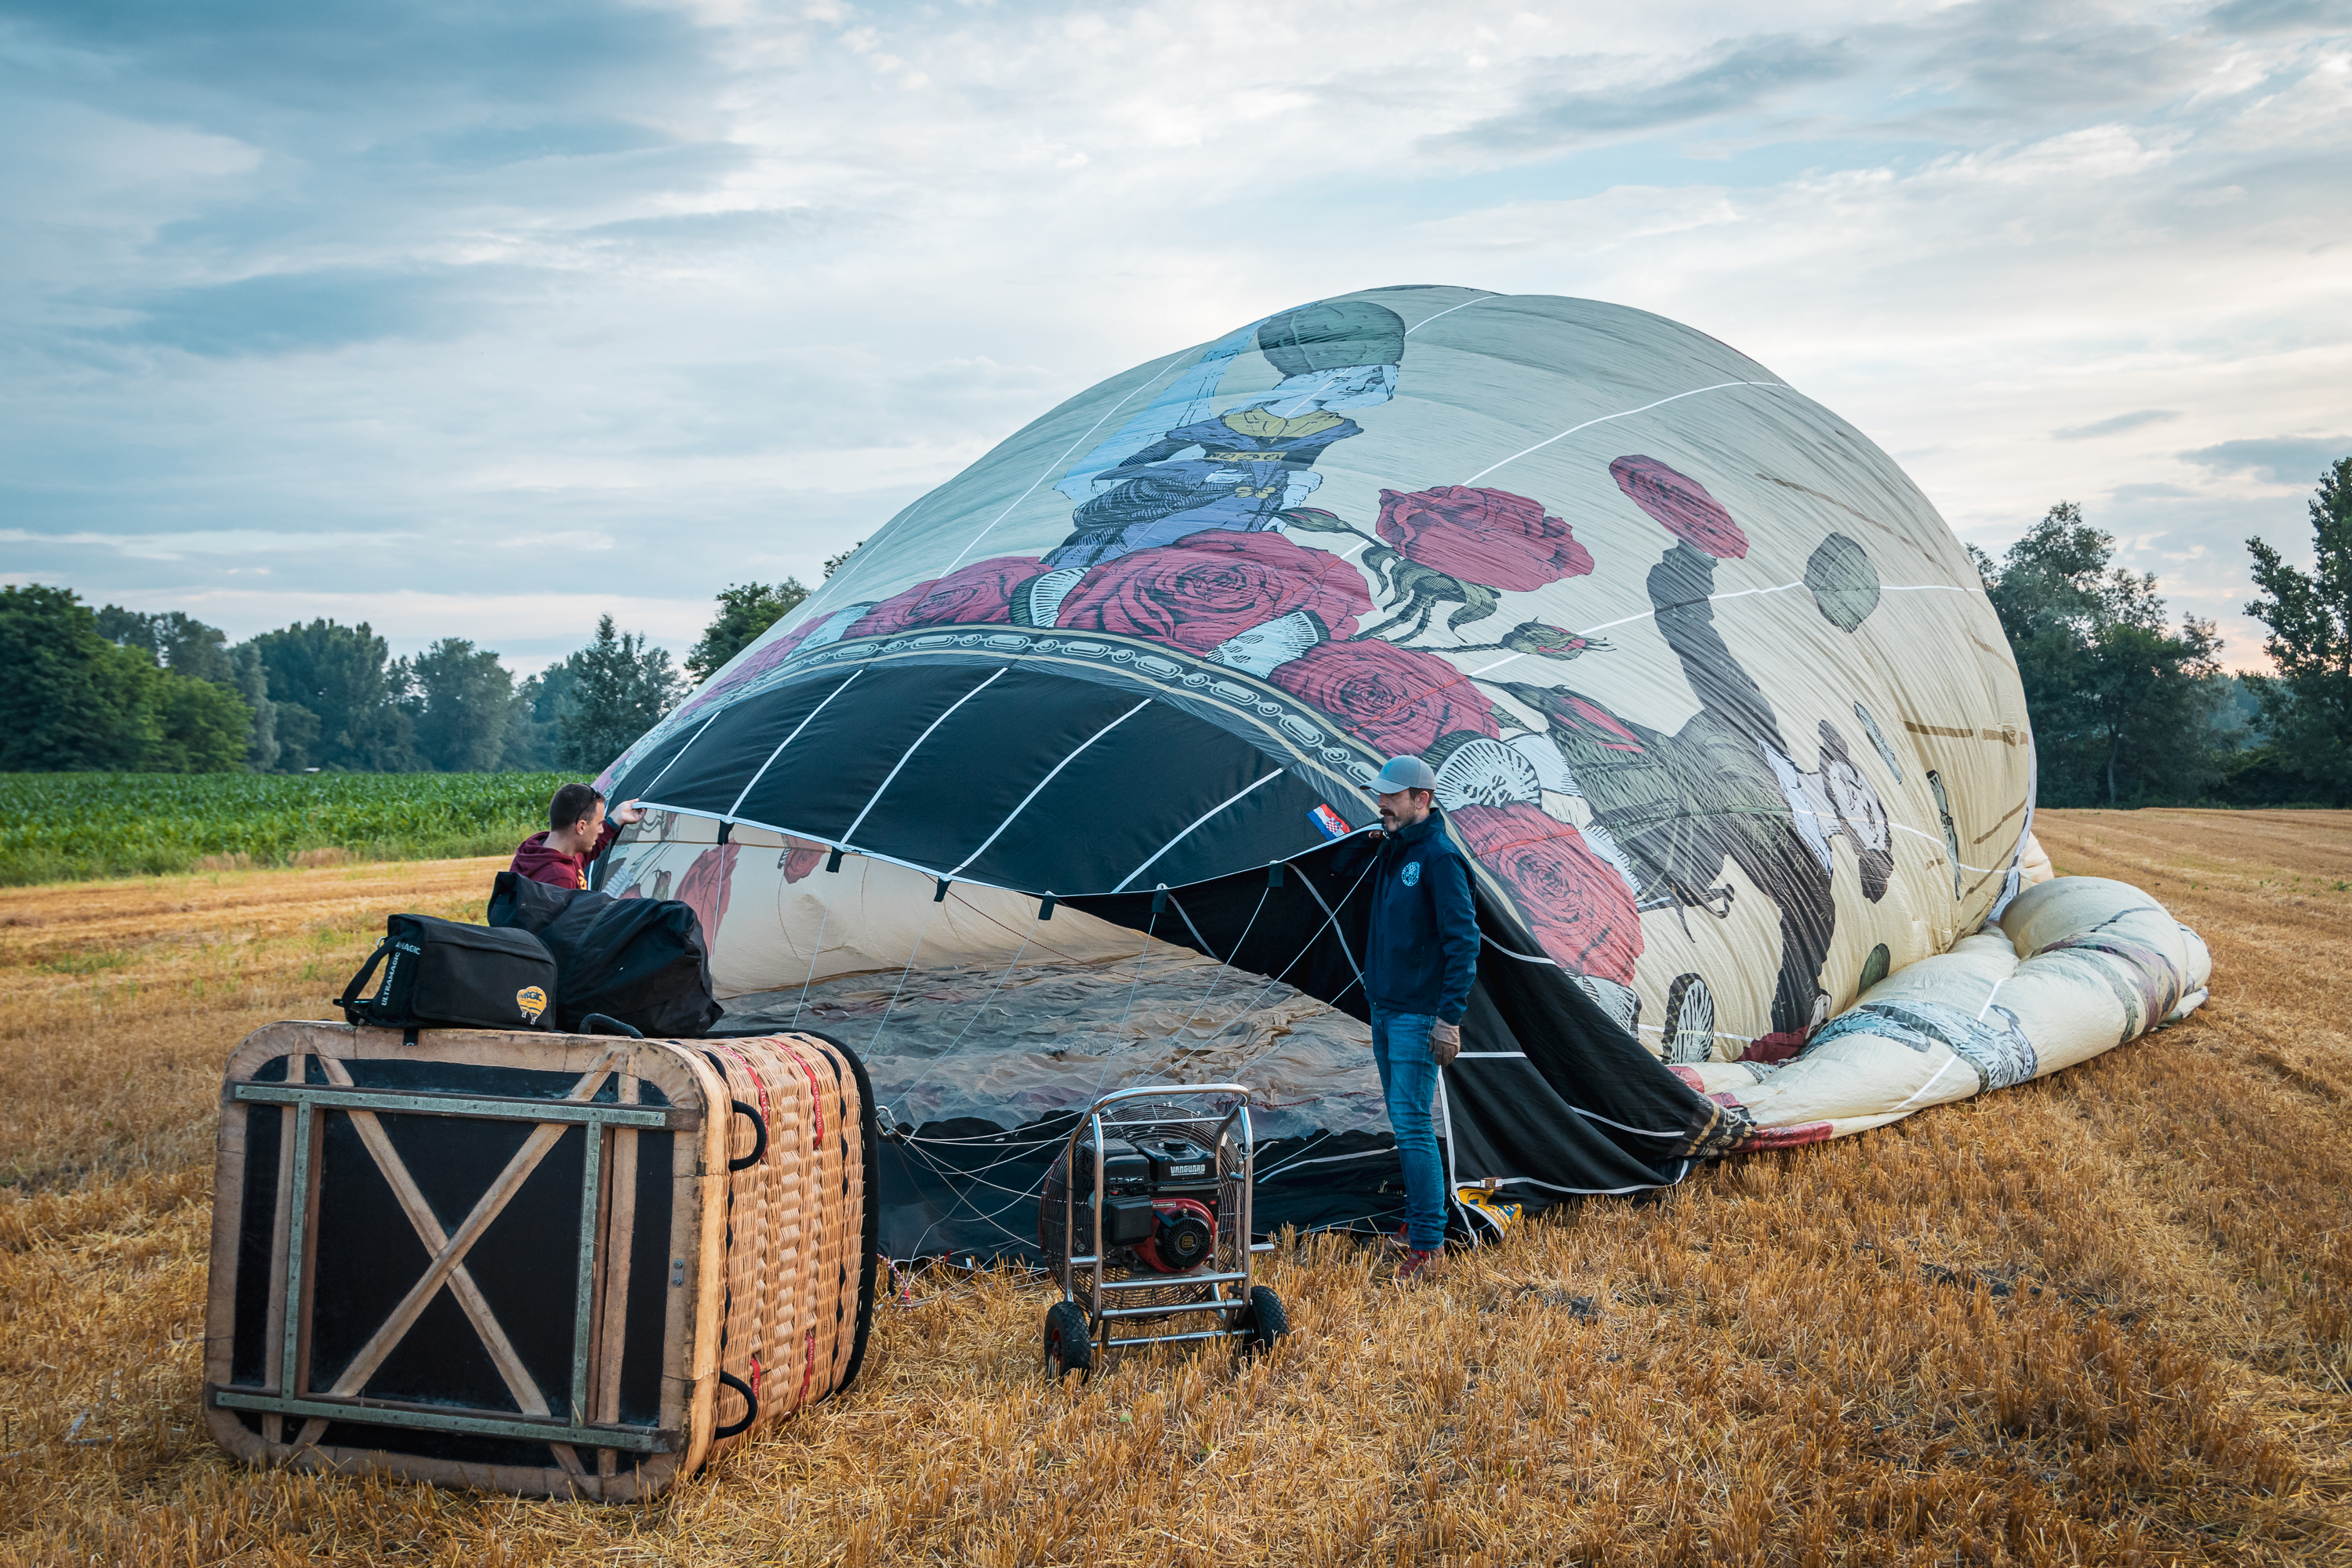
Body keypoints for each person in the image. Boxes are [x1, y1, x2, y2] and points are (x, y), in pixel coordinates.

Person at [1336, 753, 1479, 1282]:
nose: (1381, 805)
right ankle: (1419, 1221)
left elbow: (1464, 942)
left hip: (1419, 1017)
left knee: (1415, 1125)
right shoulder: (1395, 851)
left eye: (1391, 797)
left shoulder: (1439, 858)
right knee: (1404, 1123)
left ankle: (1427, 1245)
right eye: (1380, 796)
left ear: (1422, 800)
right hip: (1386, 1009)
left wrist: (1449, 1018)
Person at [510, 782, 644, 891]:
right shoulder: (560, 878)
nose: (601, 829)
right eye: (599, 823)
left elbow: (589, 850)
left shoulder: (540, 851)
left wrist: (616, 819)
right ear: (581, 827)